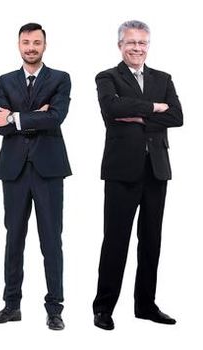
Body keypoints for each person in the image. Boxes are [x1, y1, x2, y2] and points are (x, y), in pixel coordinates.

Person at [92, 19, 182, 331]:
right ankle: (103, 308)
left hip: (156, 170)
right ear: (120, 45)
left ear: (148, 45)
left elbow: (177, 116)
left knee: (151, 241)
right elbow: (111, 109)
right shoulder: (107, 77)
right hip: (121, 170)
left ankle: (145, 305)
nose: (137, 48)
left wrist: (139, 115)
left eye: (142, 43)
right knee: (115, 240)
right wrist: (154, 108)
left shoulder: (163, 78)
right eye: (131, 43)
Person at [0, 23, 71, 331]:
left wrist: (16, 117)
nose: (31, 47)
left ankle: (55, 308)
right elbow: (0, 126)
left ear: (44, 46)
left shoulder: (60, 78)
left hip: (49, 169)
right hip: (14, 169)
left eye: (37, 42)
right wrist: (33, 117)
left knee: (51, 240)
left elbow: (56, 117)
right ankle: (11, 305)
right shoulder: (4, 81)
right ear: (18, 45)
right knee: (13, 240)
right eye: (26, 42)